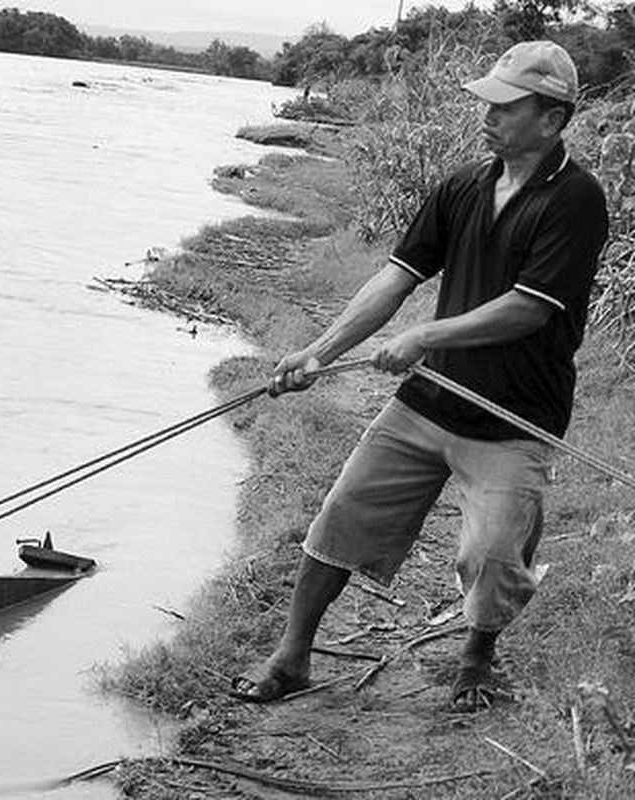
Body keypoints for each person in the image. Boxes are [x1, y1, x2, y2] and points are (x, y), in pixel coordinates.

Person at [230, 40, 609, 713]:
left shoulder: (577, 200)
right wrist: (318, 352)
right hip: (427, 402)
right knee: (340, 518)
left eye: (505, 105)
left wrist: (426, 335)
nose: (486, 116)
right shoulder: (464, 183)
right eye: (486, 102)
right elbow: (396, 277)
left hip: (512, 419)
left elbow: (528, 308)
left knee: (493, 559)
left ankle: (476, 656)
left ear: (551, 120)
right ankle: (291, 659)